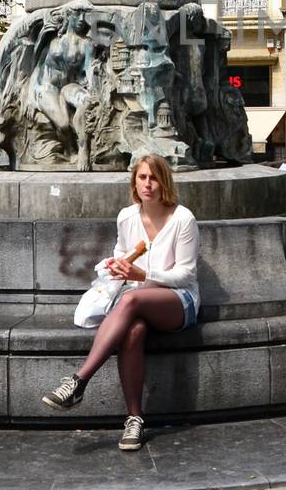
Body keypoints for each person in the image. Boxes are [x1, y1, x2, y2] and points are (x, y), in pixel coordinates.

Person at [41, 156, 198, 451]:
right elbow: (122, 253)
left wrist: (145, 274)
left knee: (132, 298)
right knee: (133, 331)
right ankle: (134, 419)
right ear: (134, 182)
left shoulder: (182, 219)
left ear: (165, 181)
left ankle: (79, 380)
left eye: (153, 178)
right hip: (136, 299)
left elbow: (187, 273)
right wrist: (116, 266)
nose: (147, 185)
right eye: (142, 178)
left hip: (178, 299)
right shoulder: (127, 216)